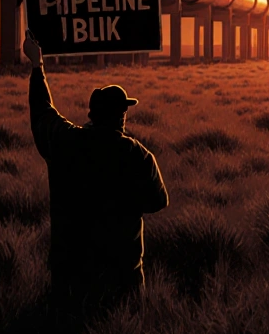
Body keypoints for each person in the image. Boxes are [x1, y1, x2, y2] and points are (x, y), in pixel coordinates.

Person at [23, 30, 168, 312]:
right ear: (121, 115)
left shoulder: (66, 141)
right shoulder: (137, 154)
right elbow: (159, 201)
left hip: (70, 271)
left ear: (92, 113)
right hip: (122, 273)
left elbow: (42, 112)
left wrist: (37, 65)